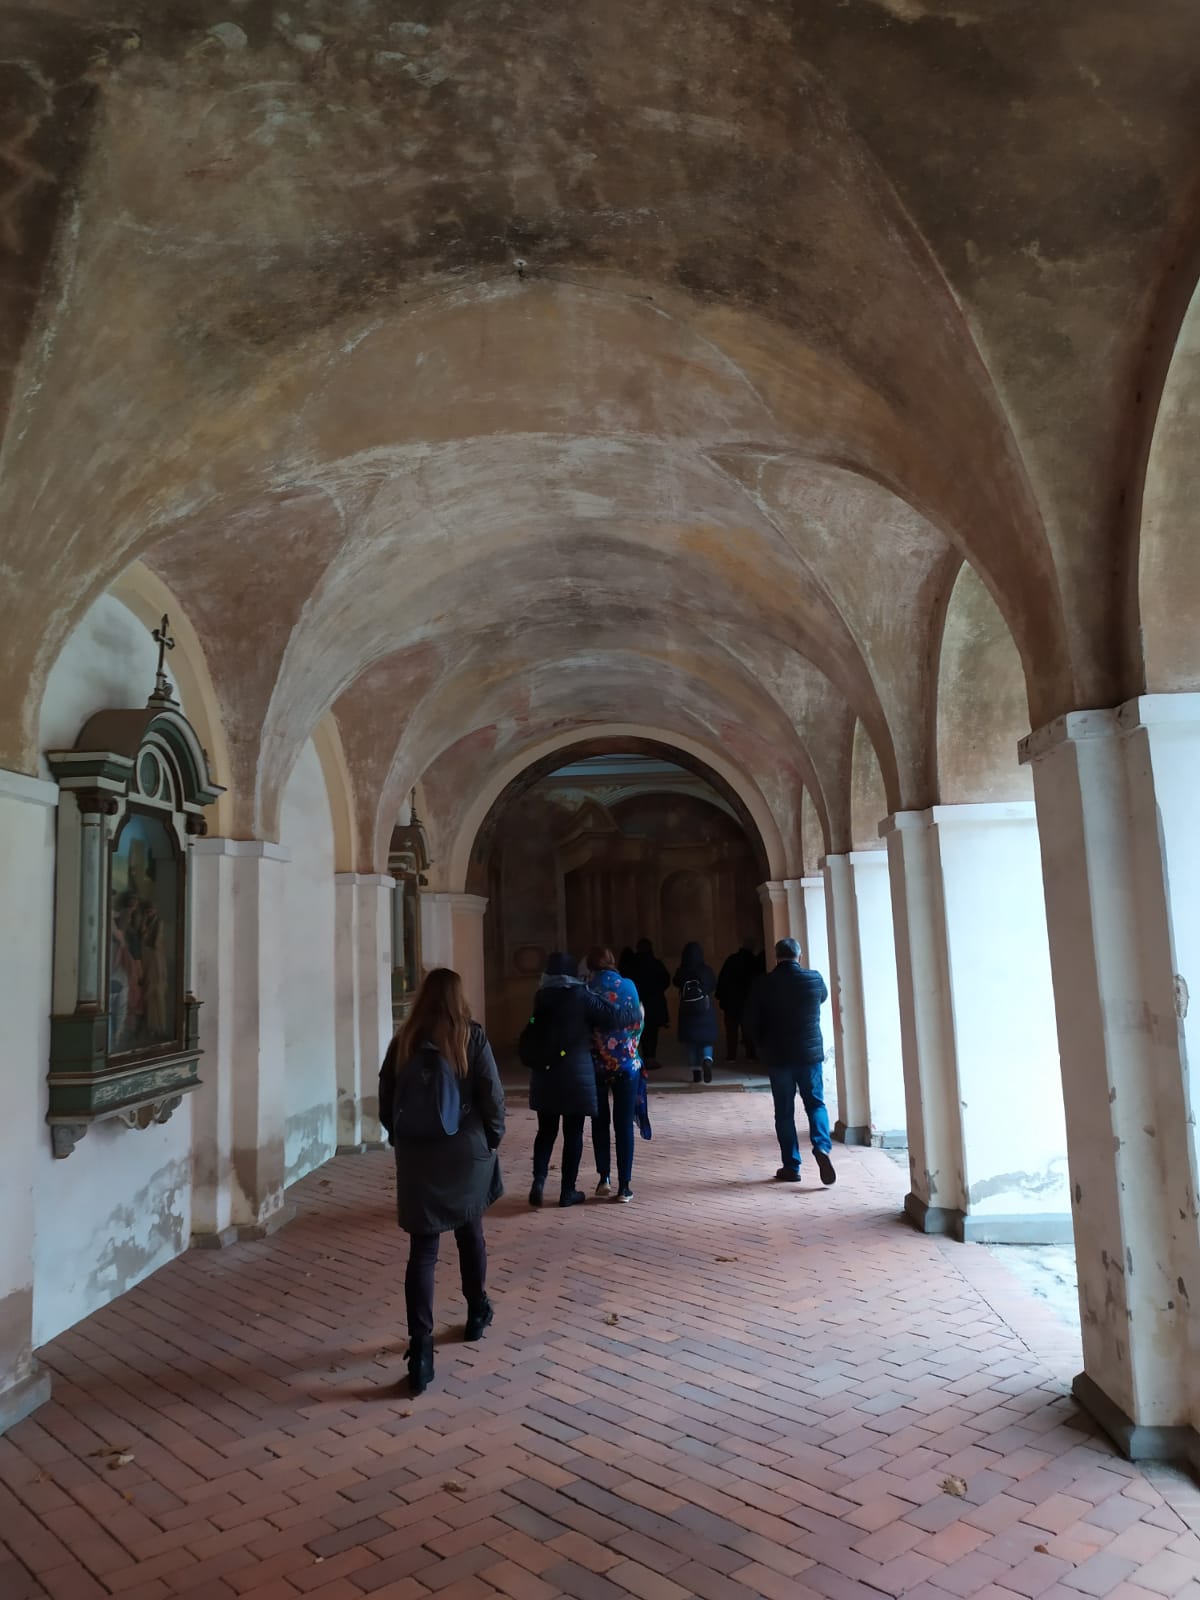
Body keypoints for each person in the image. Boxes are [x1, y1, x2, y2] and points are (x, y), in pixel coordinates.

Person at [378, 968, 505, 1396]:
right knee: (470, 1232)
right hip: (464, 1150)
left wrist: (402, 1138)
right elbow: (491, 1094)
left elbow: (386, 1101)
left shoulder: (404, 1041)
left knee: (423, 1251)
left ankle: (421, 1350)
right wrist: (492, 1138)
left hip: (418, 1157)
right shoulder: (470, 1037)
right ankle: (476, 1312)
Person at [520, 951, 628, 1208]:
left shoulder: (542, 996)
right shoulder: (581, 995)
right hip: (575, 1076)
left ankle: (539, 1181)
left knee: (545, 1131)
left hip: (545, 1074)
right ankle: (567, 1191)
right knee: (573, 1133)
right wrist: (636, 1012)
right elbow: (613, 1016)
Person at [745, 937, 836, 1187]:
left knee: (784, 1113)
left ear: (776, 957)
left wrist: (761, 1046)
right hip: (809, 1056)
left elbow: (752, 1020)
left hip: (779, 1057)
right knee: (816, 1104)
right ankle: (821, 1146)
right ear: (799, 956)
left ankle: (791, 1166)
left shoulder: (763, 983)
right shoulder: (814, 979)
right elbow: (822, 998)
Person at [586, 946, 645, 1203]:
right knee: (624, 1125)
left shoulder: (587, 988)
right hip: (627, 1065)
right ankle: (625, 1186)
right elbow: (638, 1022)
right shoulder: (629, 985)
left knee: (599, 1122)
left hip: (597, 1065)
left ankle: (604, 1179)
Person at [673, 940, 718, 1083]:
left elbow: (675, 982)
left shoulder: (682, 970)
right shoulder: (706, 970)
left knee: (691, 1043)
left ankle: (696, 1073)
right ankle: (707, 1060)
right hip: (704, 1008)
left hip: (687, 1010)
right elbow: (713, 984)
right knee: (706, 1040)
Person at [715, 937, 761, 1062]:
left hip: (731, 1001)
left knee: (731, 1030)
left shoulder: (732, 959)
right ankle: (751, 1055)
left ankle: (731, 1056)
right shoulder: (754, 962)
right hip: (748, 1001)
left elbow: (723, 979)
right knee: (748, 1030)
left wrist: (720, 997)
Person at [626, 937, 670, 1068]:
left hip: (637, 1001)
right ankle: (650, 1057)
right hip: (654, 1002)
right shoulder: (656, 963)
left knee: (638, 1031)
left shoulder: (632, 964)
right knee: (652, 1031)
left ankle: (638, 1057)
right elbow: (666, 980)